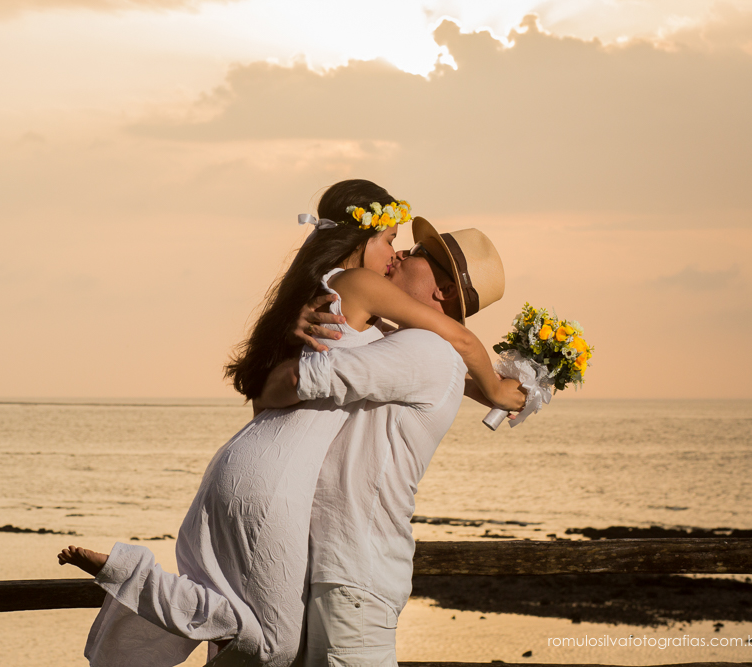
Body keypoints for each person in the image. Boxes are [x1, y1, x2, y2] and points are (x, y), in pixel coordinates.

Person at [58, 180, 523, 667]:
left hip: (252, 463)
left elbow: (419, 362)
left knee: (255, 636)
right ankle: (132, 575)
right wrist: (496, 389)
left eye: (405, 247)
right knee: (273, 646)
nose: (397, 253)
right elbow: (459, 343)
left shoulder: (342, 303)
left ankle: (136, 581)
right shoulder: (358, 286)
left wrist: (492, 386)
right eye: (391, 240)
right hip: (274, 479)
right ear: (361, 238)